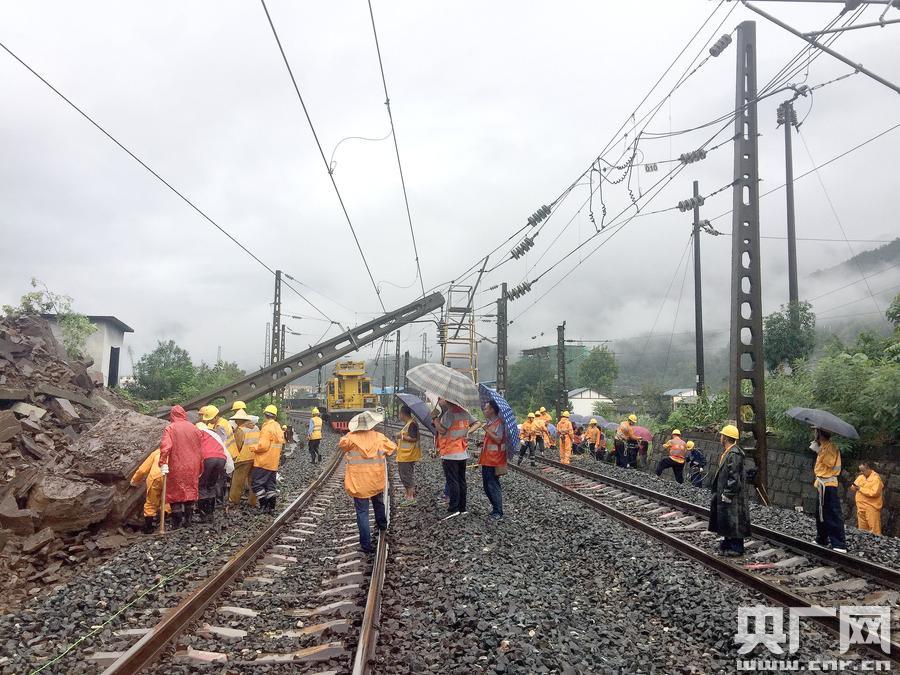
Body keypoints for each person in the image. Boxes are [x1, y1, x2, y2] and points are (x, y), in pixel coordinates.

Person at [339, 410, 396, 553]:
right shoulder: (379, 437)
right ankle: (382, 525)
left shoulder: (350, 438)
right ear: (371, 424)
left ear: (357, 425)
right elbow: (391, 448)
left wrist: (351, 434)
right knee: (378, 503)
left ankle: (366, 545)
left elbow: (342, 444)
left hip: (358, 482)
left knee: (362, 512)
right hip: (375, 479)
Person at [157, 405, 204, 529]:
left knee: (175, 493)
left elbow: (165, 447)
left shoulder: (170, 428)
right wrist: (200, 465)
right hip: (193, 465)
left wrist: (162, 462)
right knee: (190, 490)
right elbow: (200, 448)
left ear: (172, 415)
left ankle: (176, 524)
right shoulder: (194, 428)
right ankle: (188, 521)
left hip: (177, 465)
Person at [707, 424, 751, 556]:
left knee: (734, 519)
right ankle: (727, 543)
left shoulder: (734, 454)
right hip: (726, 492)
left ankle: (736, 547)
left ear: (725, 438)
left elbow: (734, 476)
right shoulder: (729, 452)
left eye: (722, 435)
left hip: (732, 494)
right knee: (726, 518)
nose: (720, 437)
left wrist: (728, 493)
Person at [434, 397, 472, 520]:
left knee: (452, 481)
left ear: (447, 401)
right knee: (461, 480)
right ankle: (462, 508)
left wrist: (435, 419)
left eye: (441, 399)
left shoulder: (449, 414)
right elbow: (473, 423)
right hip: (462, 451)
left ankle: (454, 508)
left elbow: (442, 430)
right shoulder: (465, 412)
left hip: (450, 452)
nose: (440, 401)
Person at [811, 428, 846, 552]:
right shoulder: (824, 446)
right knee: (820, 513)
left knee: (832, 513)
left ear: (819, 433)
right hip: (822, 484)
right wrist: (819, 449)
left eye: (816, 431)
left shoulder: (830, 447)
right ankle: (822, 538)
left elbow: (830, 462)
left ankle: (839, 544)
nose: (814, 433)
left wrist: (819, 451)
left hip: (828, 484)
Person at [196, 414, 233, 523]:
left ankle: (203, 515)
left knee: (202, 485)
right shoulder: (213, 434)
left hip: (208, 458)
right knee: (211, 485)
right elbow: (223, 448)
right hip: (221, 458)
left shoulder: (199, 433)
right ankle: (210, 514)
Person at [252, 404, 285, 512]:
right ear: (275, 416)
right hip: (273, 462)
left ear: (265, 415)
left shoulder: (267, 428)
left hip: (263, 461)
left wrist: (253, 447)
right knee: (270, 485)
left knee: (256, 484)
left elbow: (263, 446)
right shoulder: (278, 427)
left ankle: (263, 505)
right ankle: (272, 507)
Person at [130, 447, 170, 533]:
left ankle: (149, 527)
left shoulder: (156, 453)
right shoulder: (176, 453)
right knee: (167, 501)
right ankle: (161, 521)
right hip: (169, 477)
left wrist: (135, 481)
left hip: (155, 477)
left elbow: (142, 470)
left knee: (151, 503)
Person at [479, 400, 507, 520]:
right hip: (487, 459)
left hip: (494, 460)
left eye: (486, 408)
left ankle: (498, 511)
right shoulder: (491, 423)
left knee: (493, 486)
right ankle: (495, 509)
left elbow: (498, 439)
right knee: (487, 486)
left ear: (492, 410)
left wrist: (487, 430)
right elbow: (491, 441)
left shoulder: (499, 423)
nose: (484, 410)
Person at [229, 409, 259, 507]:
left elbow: (238, 445)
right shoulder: (256, 428)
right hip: (255, 457)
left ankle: (234, 501)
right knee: (252, 481)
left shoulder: (240, 430)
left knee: (237, 481)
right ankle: (252, 502)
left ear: (239, 420)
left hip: (243, 458)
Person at [395, 405, 421, 506]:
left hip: (408, 455)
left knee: (407, 476)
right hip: (404, 455)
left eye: (400, 413)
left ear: (402, 414)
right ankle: (407, 496)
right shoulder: (409, 424)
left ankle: (410, 497)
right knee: (404, 476)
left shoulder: (412, 424)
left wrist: (401, 436)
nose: (399, 415)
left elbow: (413, 438)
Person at [851, 460, 884, 536]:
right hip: (860, 506)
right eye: (860, 471)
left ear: (869, 469)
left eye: (863, 470)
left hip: (871, 507)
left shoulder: (876, 479)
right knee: (862, 529)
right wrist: (854, 487)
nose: (861, 472)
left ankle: (876, 542)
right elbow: (853, 487)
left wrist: (860, 489)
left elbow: (874, 493)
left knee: (874, 530)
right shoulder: (860, 477)